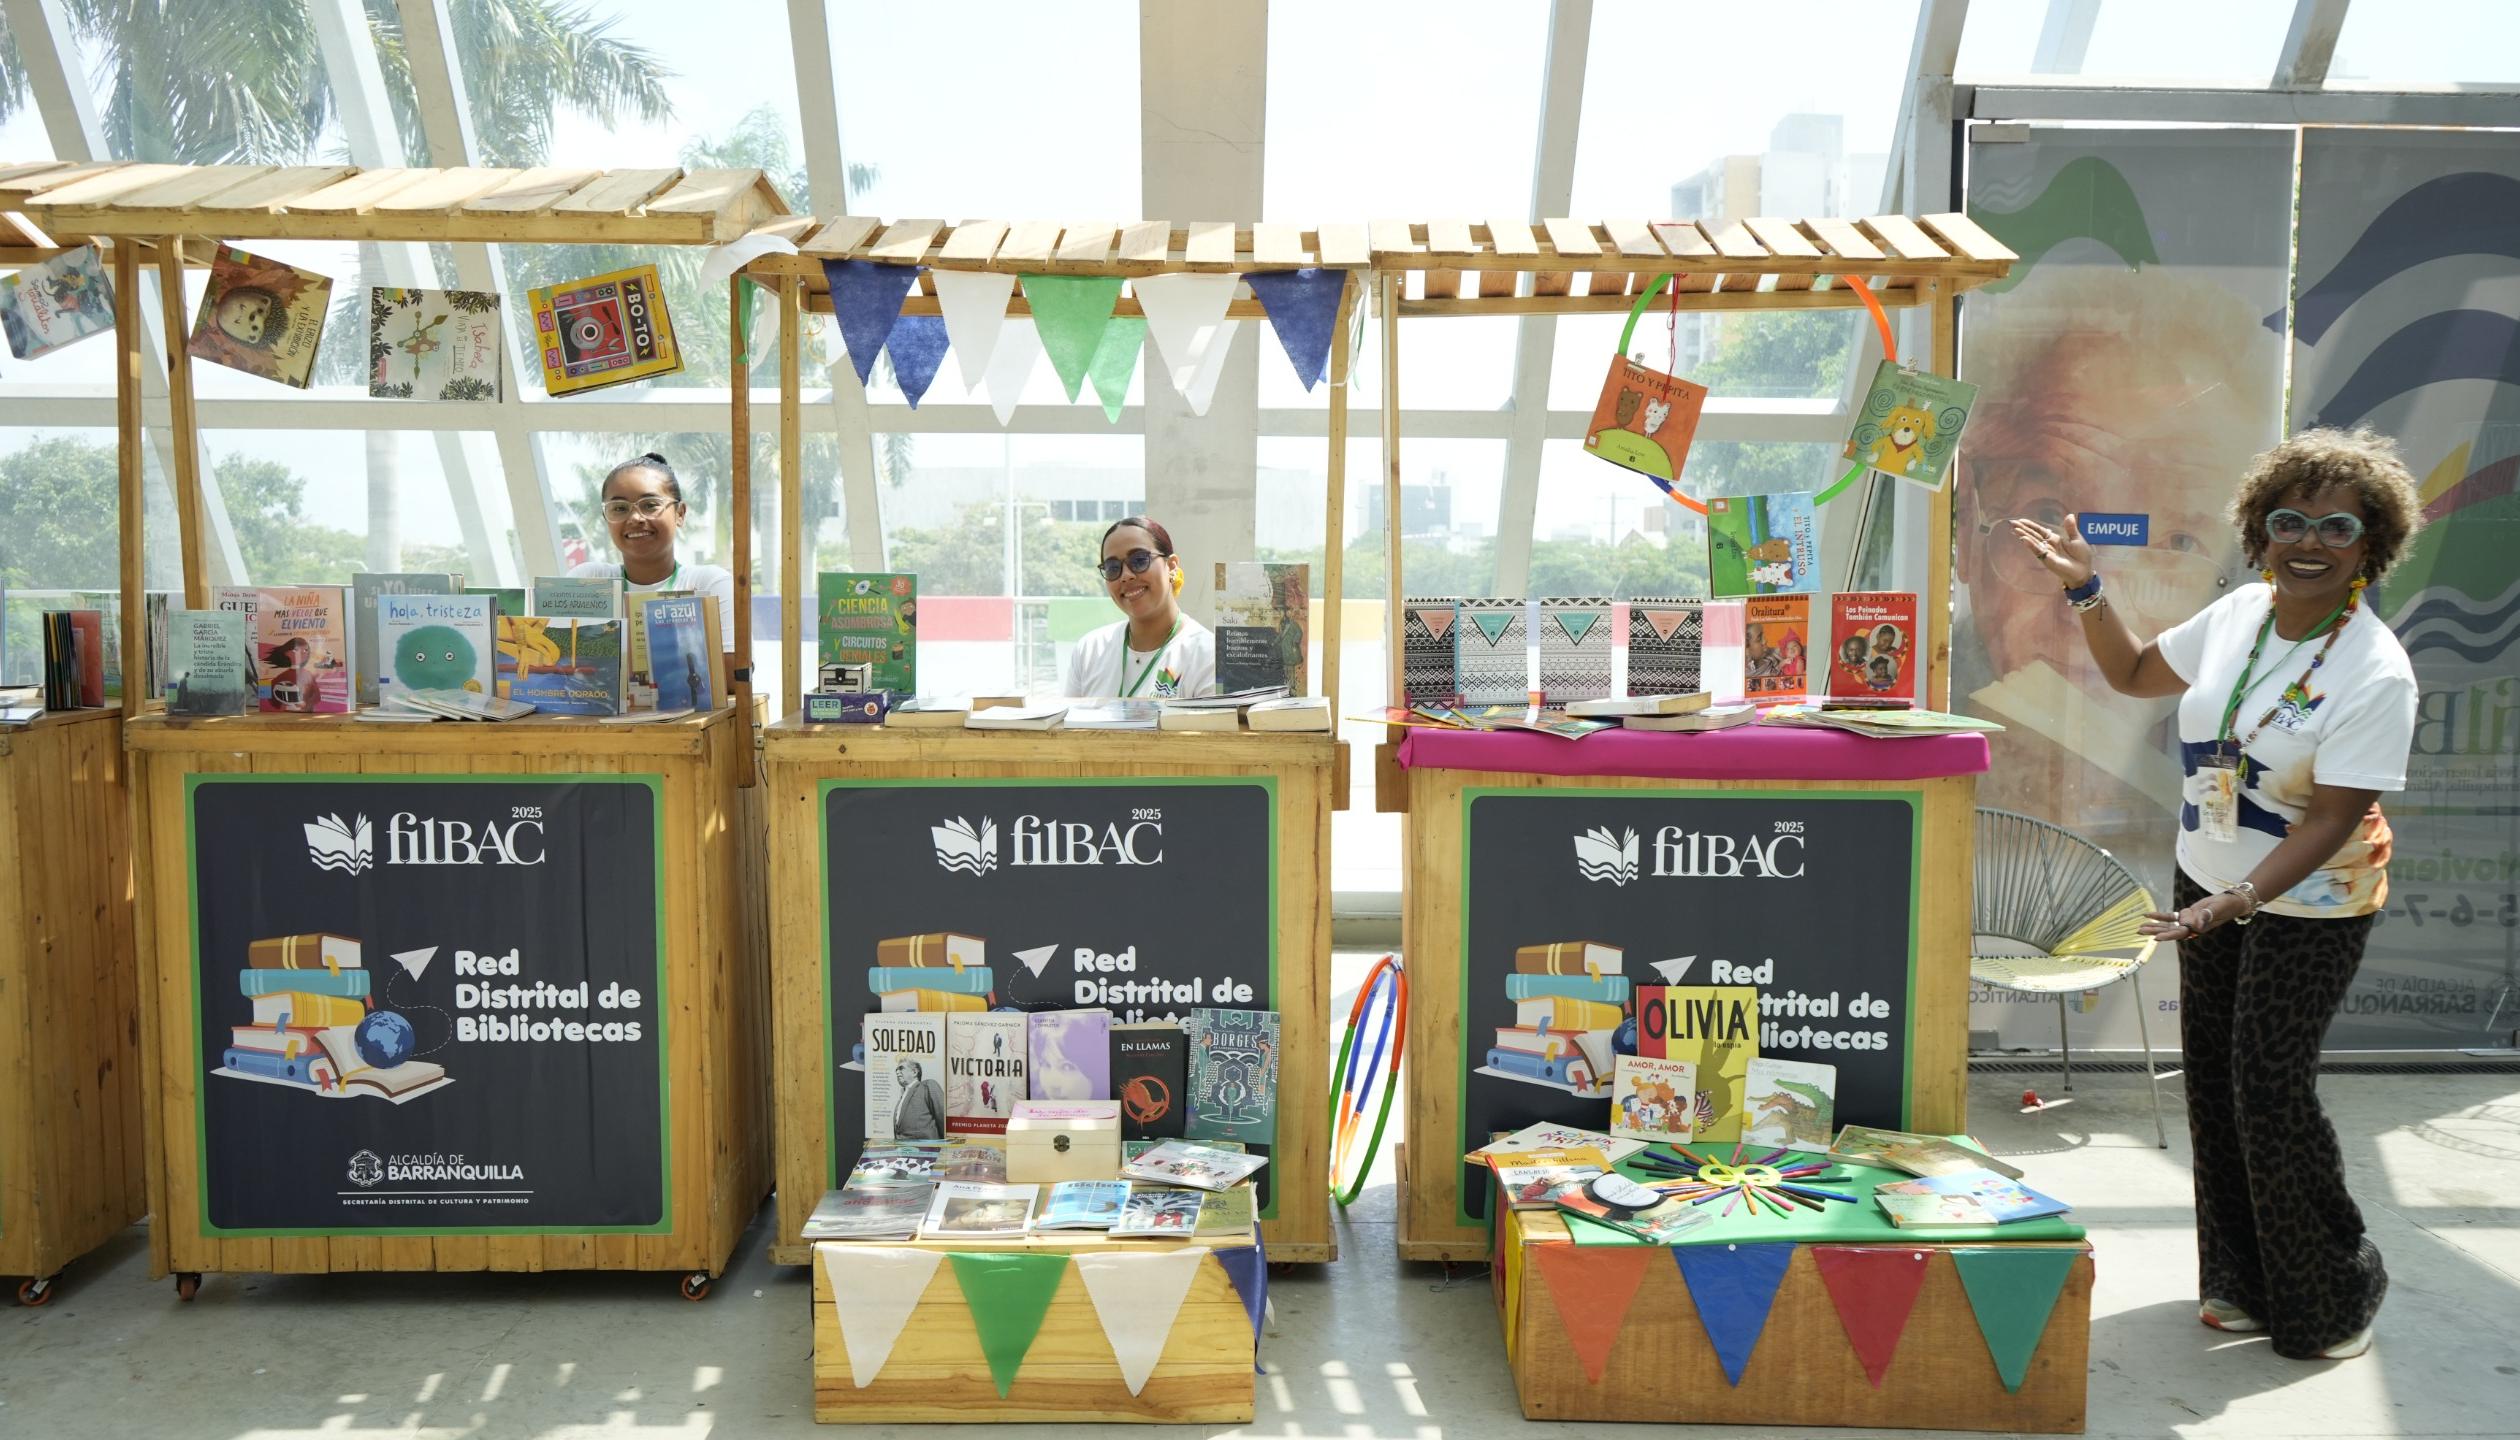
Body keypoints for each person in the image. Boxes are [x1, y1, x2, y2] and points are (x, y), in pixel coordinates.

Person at [2009, 426, 2422, 1362]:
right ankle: (2240, 1278)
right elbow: (2132, 672)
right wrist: (2084, 588)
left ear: (2371, 544)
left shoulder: (2375, 671)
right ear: (2260, 531)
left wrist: (2235, 899)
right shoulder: (2241, 614)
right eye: (2289, 521)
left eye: (2335, 527)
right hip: (2207, 882)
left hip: (2309, 901)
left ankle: (2333, 1293)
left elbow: (2328, 821)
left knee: (2270, 1092)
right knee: (2213, 1088)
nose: (2308, 542)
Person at [568, 453, 737, 656]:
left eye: (650, 505)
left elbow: (735, 675)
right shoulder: (589, 581)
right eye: (620, 508)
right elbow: (553, 665)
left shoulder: (710, 584)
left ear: (680, 513)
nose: (635, 518)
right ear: (606, 518)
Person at [1060, 516, 1217, 699]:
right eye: (1112, 568)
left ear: (1171, 566)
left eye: (1140, 560)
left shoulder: (1207, 657)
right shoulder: (1089, 650)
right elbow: (1068, 726)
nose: (1126, 576)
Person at [890, 1059, 946, 1140]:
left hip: (927, 1150)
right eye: (896, 1070)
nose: (897, 1072)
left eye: (901, 1068)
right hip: (903, 1150)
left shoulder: (927, 1086)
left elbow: (944, 1119)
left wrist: (947, 1147)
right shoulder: (902, 1097)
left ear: (914, 1072)